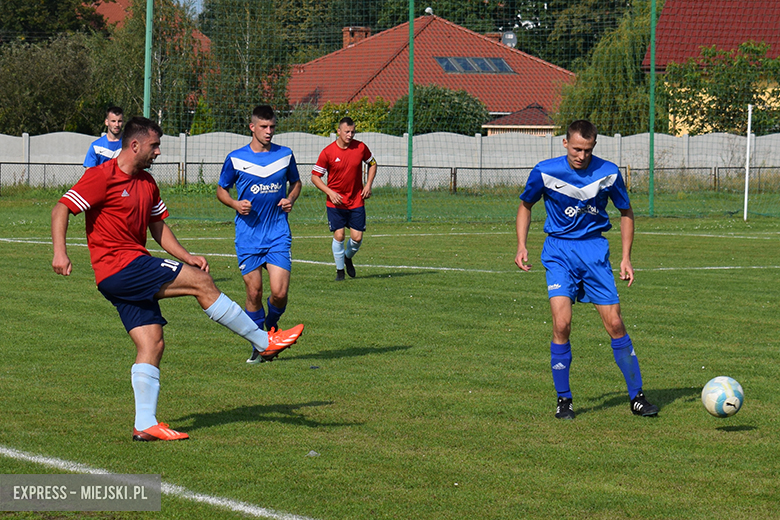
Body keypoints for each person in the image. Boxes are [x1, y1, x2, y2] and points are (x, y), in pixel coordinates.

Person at [52, 116, 304, 442]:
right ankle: (263, 342)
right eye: (154, 145)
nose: (158, 152)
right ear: (135, 145)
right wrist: (60, 252)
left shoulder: (147, 183)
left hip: (124, 274)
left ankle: (144, 424)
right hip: (122, 267)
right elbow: (61, 209)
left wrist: (186, 256)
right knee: (202, 283)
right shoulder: (101, 176)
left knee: (152, 343)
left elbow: (157, 226)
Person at [515, 119, 658, 420]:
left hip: (594, 252)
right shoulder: (545, 171)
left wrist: (626, 257)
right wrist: (521, 245)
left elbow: (626, 211)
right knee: (562, 324)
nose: (582, 156)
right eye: (577, 149)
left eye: (588, 150)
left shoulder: (609, 173)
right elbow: (526, 205)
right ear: (565, 143)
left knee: (615, 324)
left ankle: (637, 397)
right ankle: (564, 399)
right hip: (559, 252)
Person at [217, 105, 303, 364]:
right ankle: (259, 344)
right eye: (264, 127)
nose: (269, 131)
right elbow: (221, 190)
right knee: (254, 292)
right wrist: (235, 204)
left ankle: (270, 329)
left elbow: (296, 182)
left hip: (278, 233)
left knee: (280, 292)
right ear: (252, 127)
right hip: (248, 236)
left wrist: (290, 199)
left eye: (272, 127)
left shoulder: (285, 155)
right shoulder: (235, 158)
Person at [311, 117, 377, 281]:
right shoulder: (328, 152)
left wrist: (368, 184)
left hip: (356, 200)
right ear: (338, 131)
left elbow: (373, 164)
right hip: (336, 203)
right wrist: (330, 192)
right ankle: (340, 272)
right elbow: (315, 177)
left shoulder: (360, 147)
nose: (350, 135)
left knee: (357, 238)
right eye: (347, 132)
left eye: (352, 132)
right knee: (339, 235)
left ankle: (347, 257)